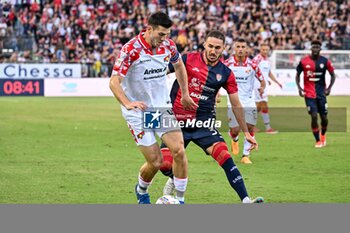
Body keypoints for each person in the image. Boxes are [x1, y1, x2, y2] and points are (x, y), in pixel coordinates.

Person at [159, 31, 264, 204]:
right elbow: (160, 72)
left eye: (217, 47)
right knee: (164, 165)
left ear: (223, 49)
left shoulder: (226, 73)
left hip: (204, 124)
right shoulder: (186, 59)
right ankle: (177, 176)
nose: (213, 50)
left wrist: (246, 132)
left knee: (226, 157)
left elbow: (236, 104)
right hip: (176, 122)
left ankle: (246, 200)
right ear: (204, 45)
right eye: (210, 46)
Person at [109, 12, 197, 204]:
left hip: (160, 108)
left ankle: (179, 201)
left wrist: (185, 94)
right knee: (156, 162)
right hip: (137, 113)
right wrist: (127, 102)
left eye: (167, 34)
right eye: (161, 34)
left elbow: (180, 66)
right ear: (149, 29)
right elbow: (114, 81)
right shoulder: (131, 49)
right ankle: (141, 190)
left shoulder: (168, 45)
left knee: (179, 151)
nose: (164, 39)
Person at [225, 38, 266, 164]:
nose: (241, 49)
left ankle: (245, 155)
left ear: (247, 49)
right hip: (233, 99)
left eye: (243, 46)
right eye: (238, 46)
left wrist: (262, 87)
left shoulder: (253, 64)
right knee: (236, 129)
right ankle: (234, 138)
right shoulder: (227, 64)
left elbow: (262, 79)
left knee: (250, 127)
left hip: (248, 100)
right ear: (234, 48)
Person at [295, 40, 336, 148]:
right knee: (313, 116)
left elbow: (333, 75)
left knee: (324, 118)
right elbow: (297, 74)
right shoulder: (304, 61)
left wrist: (329, 88)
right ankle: (317, 140)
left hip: (321, 94)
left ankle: (323, 135)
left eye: (318, 47)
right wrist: (299, 88)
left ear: (320, 49)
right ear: (311, 48)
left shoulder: (325, 61)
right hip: (309, 94)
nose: (316, 49)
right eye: (314, 47)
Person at [253, 43, 283, 134]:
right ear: (260, 50)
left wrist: (276, 82)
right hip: (258, 86)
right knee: (264, 105)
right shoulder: (257, 59)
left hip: (264, 85)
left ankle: (250, 125)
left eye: (267, 50)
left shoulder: (267, 60)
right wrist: (259, 82)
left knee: (258, 107)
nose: (265, 51)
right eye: (263, 50)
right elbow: (251, 71)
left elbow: (268, 73)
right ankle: (268, 128)